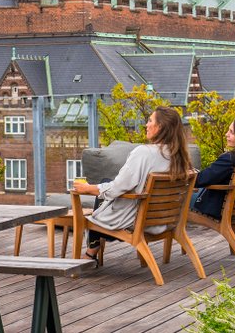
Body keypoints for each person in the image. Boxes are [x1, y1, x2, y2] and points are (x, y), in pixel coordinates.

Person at [71, 107, 193, 260]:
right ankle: (93, 250)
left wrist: (88, 189)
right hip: (165, 220)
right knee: (106, 184)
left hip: (135, 219)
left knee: (105, 189)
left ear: (160, 127)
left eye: (150, 121)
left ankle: (91, 252)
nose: (146, 125)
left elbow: (118, 188)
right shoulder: (181, 157)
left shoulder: (143, 152)